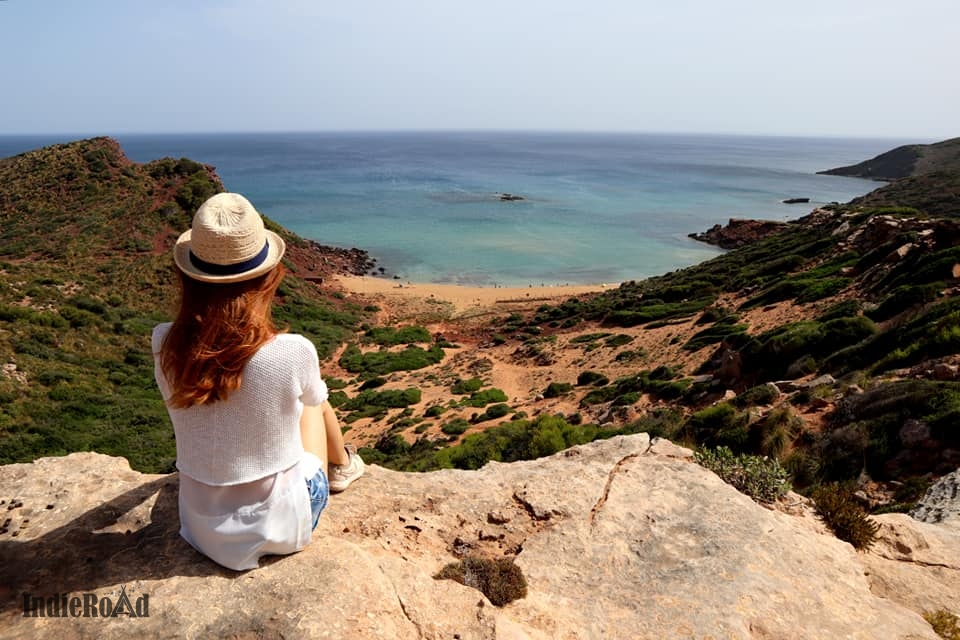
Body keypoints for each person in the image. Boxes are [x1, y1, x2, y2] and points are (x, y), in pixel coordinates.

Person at [152, 192, 364, 571]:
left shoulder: (163, 343)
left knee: (298, 394)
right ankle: (345, 464)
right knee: (312, 400)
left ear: (188, 276)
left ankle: (344, 463)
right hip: (281, 526)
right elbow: (308, 400)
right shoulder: (293, 350)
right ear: (269, 276)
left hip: (201, 529)